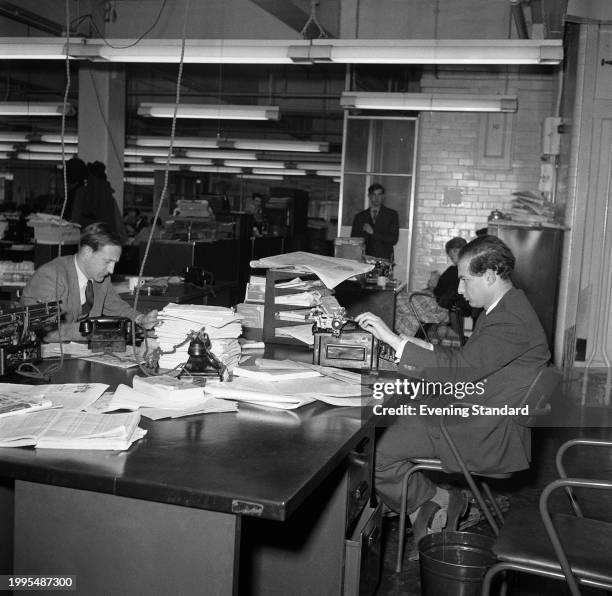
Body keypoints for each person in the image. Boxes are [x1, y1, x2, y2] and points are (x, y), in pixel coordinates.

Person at [355, 235, 550, 540]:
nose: (459, 289)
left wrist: (393, 341)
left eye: (464, 280)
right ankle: (428, 503)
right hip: (480, 413)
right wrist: (404, 342)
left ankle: (433, 503)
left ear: (489, 276)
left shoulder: (510, 321)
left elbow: (459, 370)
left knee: (373, 452)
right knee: (397, 411)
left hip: (483, 431)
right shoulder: (506, 308)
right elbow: (468, 360)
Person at [20, 222, 158, 342]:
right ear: (87, 252)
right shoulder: (51, 275)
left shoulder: (100, 278)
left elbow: (116, 306)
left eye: (114, 263)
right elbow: (48, 331)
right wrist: (100, 332)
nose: (111, 270)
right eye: (107, 261)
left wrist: (140, 319)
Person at [395, 237, 471, 338]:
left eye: (452, 258)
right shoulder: (463, 270)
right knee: (401, 302)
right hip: (438, 300)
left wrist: (432, 286)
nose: (452, 261)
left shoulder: (455, 270)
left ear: (456, 250)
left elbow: (440, 291)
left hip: (436, 301)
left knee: (399, 298)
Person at [71, 161, 128, 244]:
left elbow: (75, 220)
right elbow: (117, 222)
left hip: (86, 238)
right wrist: (123, 239)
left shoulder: (81, 193)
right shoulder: (108, 196)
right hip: (105, 239)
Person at [350, 183, 399, 261]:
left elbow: (393, 239)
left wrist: (373, 233)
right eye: (373, 194)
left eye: (379, 194)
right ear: (369, 196)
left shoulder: (391, 215)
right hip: (363, 259)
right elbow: (354, 240)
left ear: (383, 196)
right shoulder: (360, 216)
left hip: (384, 260)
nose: (376, 198)